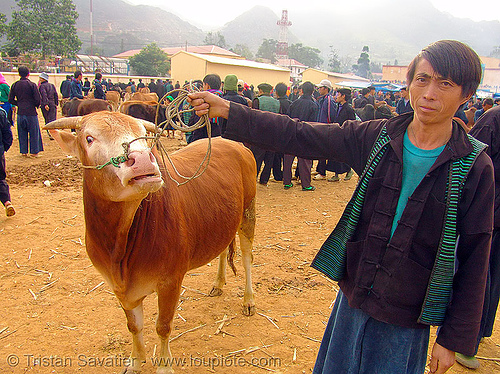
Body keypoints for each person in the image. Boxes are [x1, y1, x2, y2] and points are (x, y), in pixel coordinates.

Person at [188, 40, 494, 374]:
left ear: (467, 95)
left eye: (445, 84)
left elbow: (476, 256)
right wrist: (232, 111)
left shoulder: (474, 167)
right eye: (422, 79)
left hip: (407, 316)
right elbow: (301, 134)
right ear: (409, 83)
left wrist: (454, 339)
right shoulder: (378, 136)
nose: (429, 93)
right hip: (353, 298)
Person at [463, 105, 500, 369]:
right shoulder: (494, 118)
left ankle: (469, 340)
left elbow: (469, 157)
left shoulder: (493, 118)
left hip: (490, 212)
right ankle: (477, 332)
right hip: (493, 211)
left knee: (480, 273)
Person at [284, 81, 319, 191]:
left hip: (292, 132)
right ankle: (306, 184)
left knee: (288, 159)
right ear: (313, 92)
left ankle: (287, 182)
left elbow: (288, 118)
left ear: (302, 91)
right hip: (306, 133)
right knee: (305, 161)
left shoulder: (294, 103)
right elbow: (314, 123)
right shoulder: (314, 105)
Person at [8, 66, 43, 157]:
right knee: (34, 133)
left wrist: (18, 103)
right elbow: (37, 99)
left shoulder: (15, 85)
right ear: (28, 74)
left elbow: (10, 99)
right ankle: (34, 152)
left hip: (20, 112)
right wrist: (35, 105)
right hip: (31, 112)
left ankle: (24, 152)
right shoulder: (32, 85)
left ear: (19, 74)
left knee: (22, 133)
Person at [252, 82, 281, 186]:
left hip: (259, 134)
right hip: (273, 134)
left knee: (257, 158)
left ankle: (253, 178)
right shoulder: (277, 102)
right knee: (269, 160)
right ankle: (264, 180)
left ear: (260, 91)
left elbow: (253, 117)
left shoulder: (257, 101)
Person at [326, 88, 356, 182]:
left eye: (338, 94)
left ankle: (348, 170)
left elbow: (352, 123)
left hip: (345, 135)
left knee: (343, 155)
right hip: (337, 133)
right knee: (335, 155)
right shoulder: (339, 106)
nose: (336, 96)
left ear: (343, 96)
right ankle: (336, 174)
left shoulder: (348, 109)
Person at [0, 106, 14, 217]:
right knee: (0, 178)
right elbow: (8, 134)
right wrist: (3, 148)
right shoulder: (1, 113)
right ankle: (7, 202)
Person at [38, 72, 58, 139]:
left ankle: (50, 133)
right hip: (52, 104)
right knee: (53, 119)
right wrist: (56, 103)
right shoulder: (52, 85)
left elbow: (44, 95)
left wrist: (46, 104)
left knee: (47, 119)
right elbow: (56, 95)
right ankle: (54, 133)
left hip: (45, 104)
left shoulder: (42, 86)